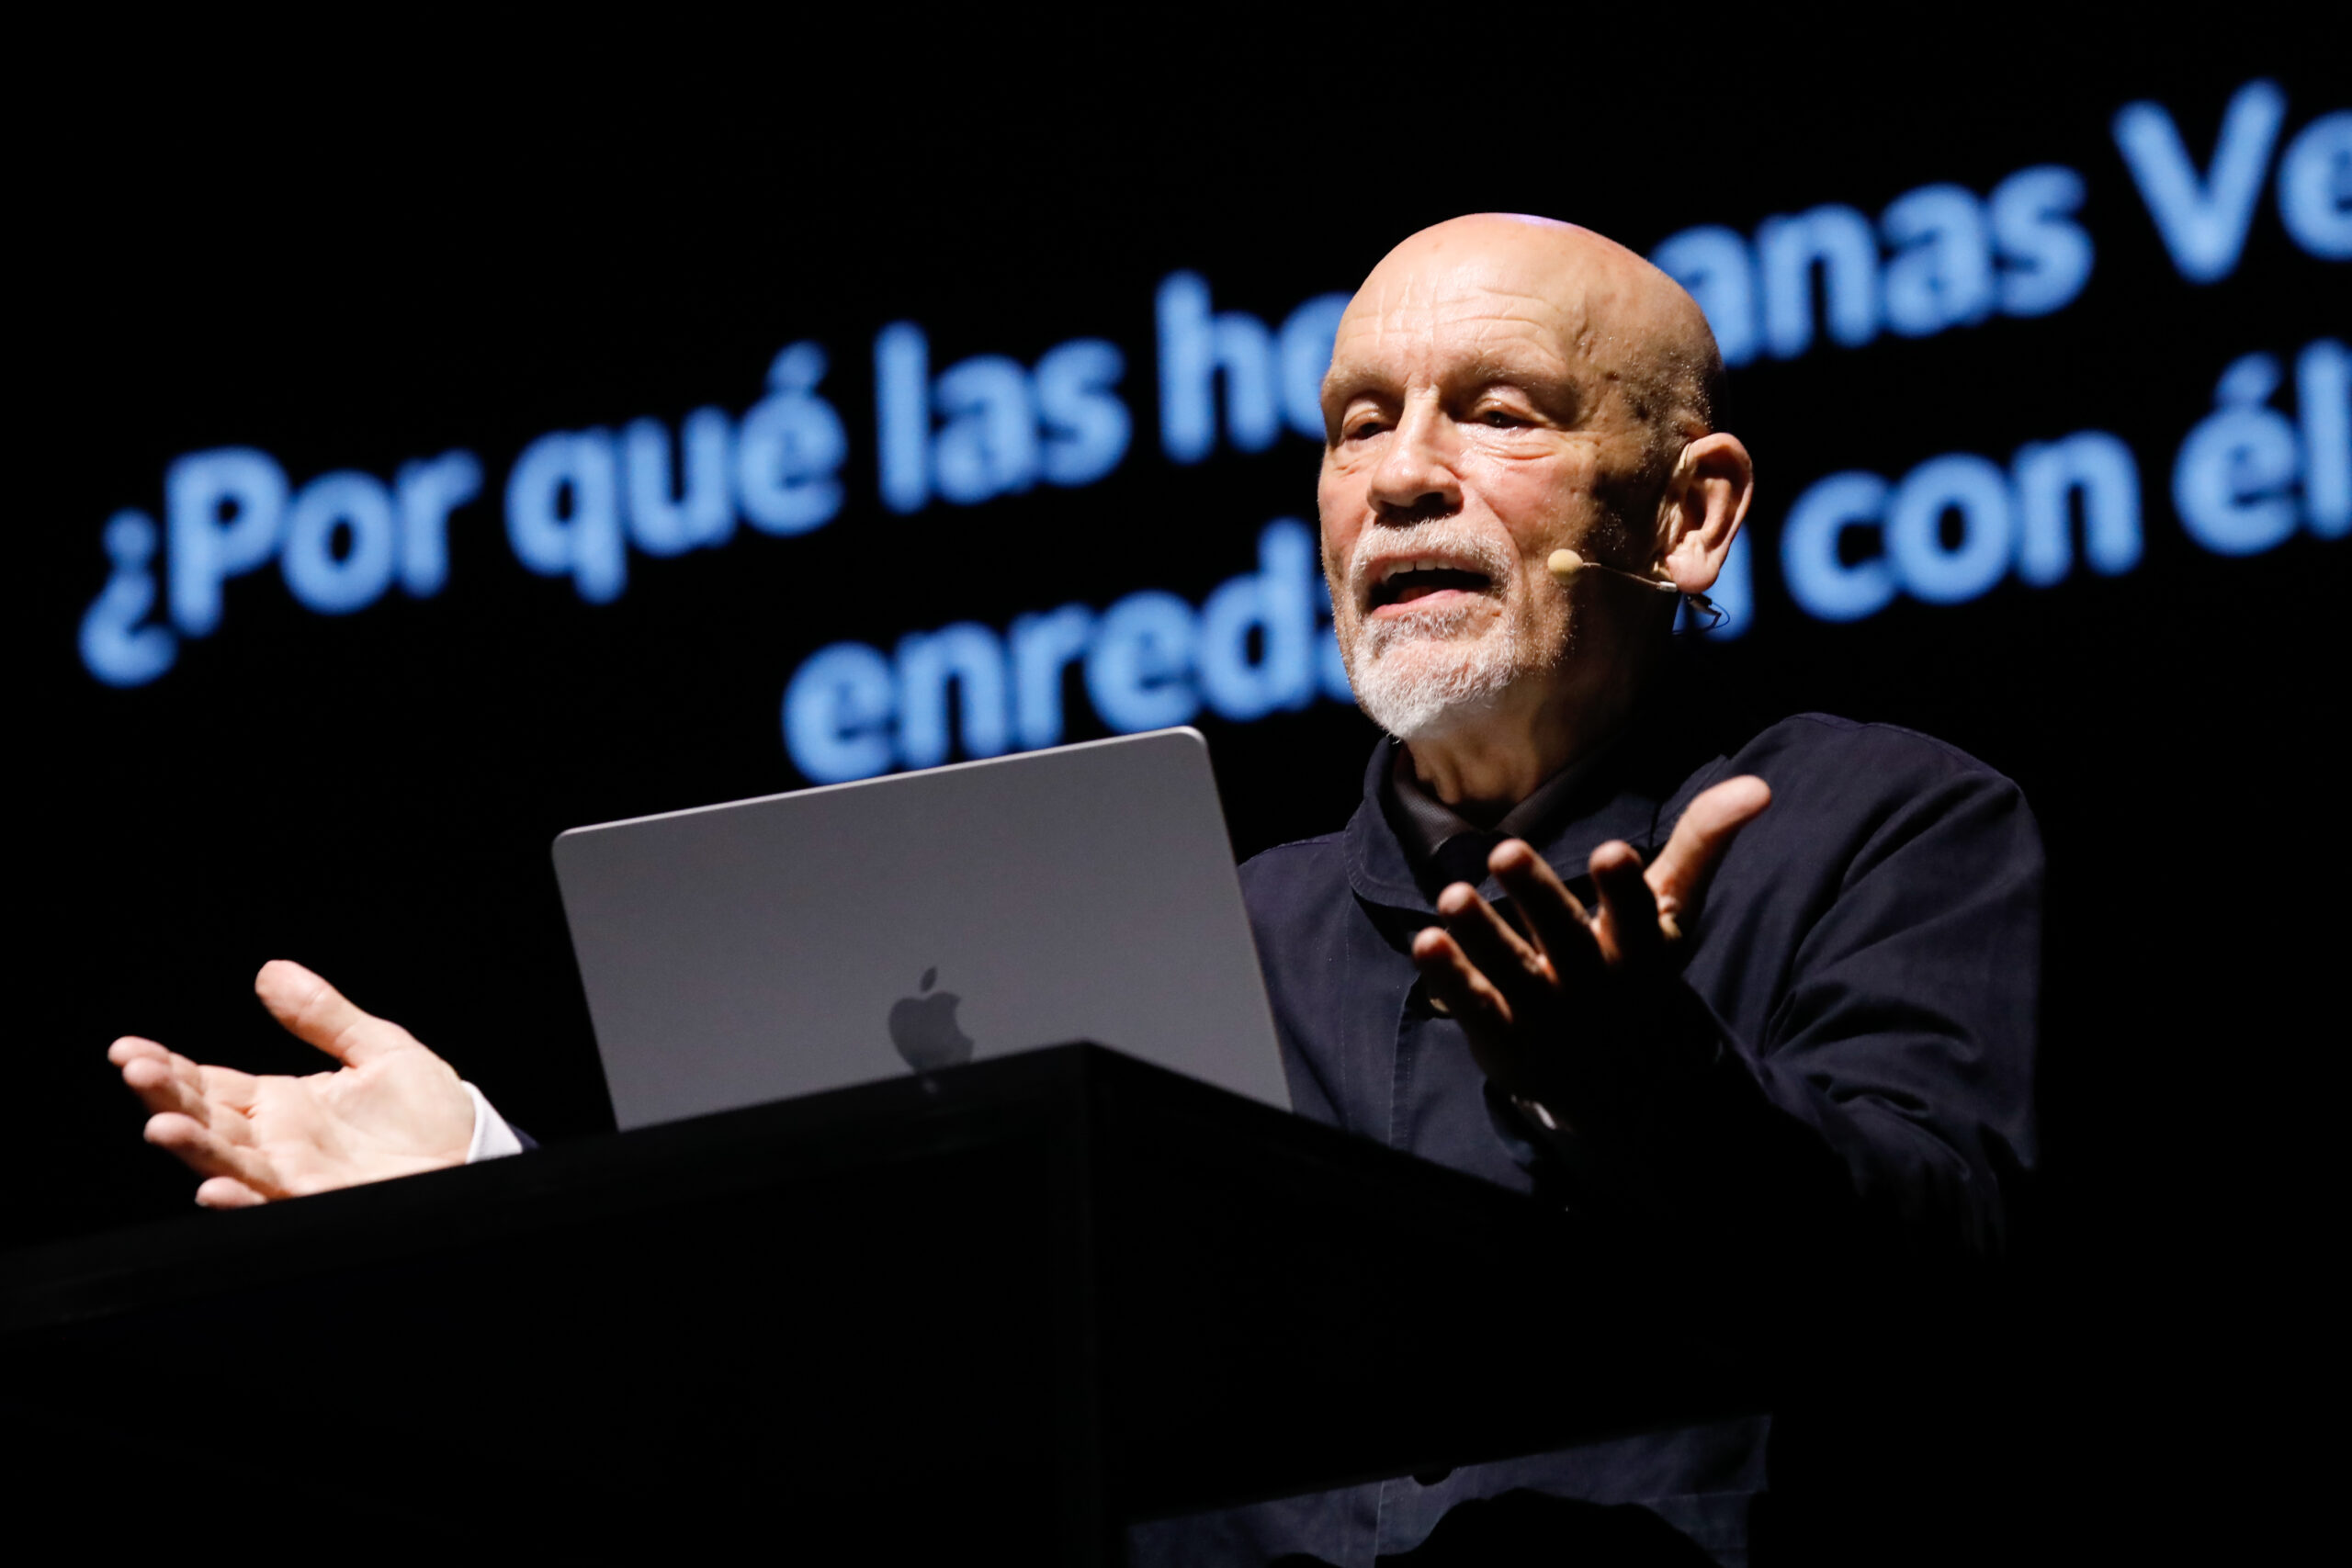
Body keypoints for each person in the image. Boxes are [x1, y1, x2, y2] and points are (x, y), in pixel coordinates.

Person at [107, 215, 2039, 1564]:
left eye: (1500, 410)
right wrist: (491, 1192)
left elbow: (1940, 1284)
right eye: (1355, 423)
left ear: (1687, 511)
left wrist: (1654, 1095)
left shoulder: (1877, 825)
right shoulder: (1214, 932)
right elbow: (859, 1374)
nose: (1400, 476)